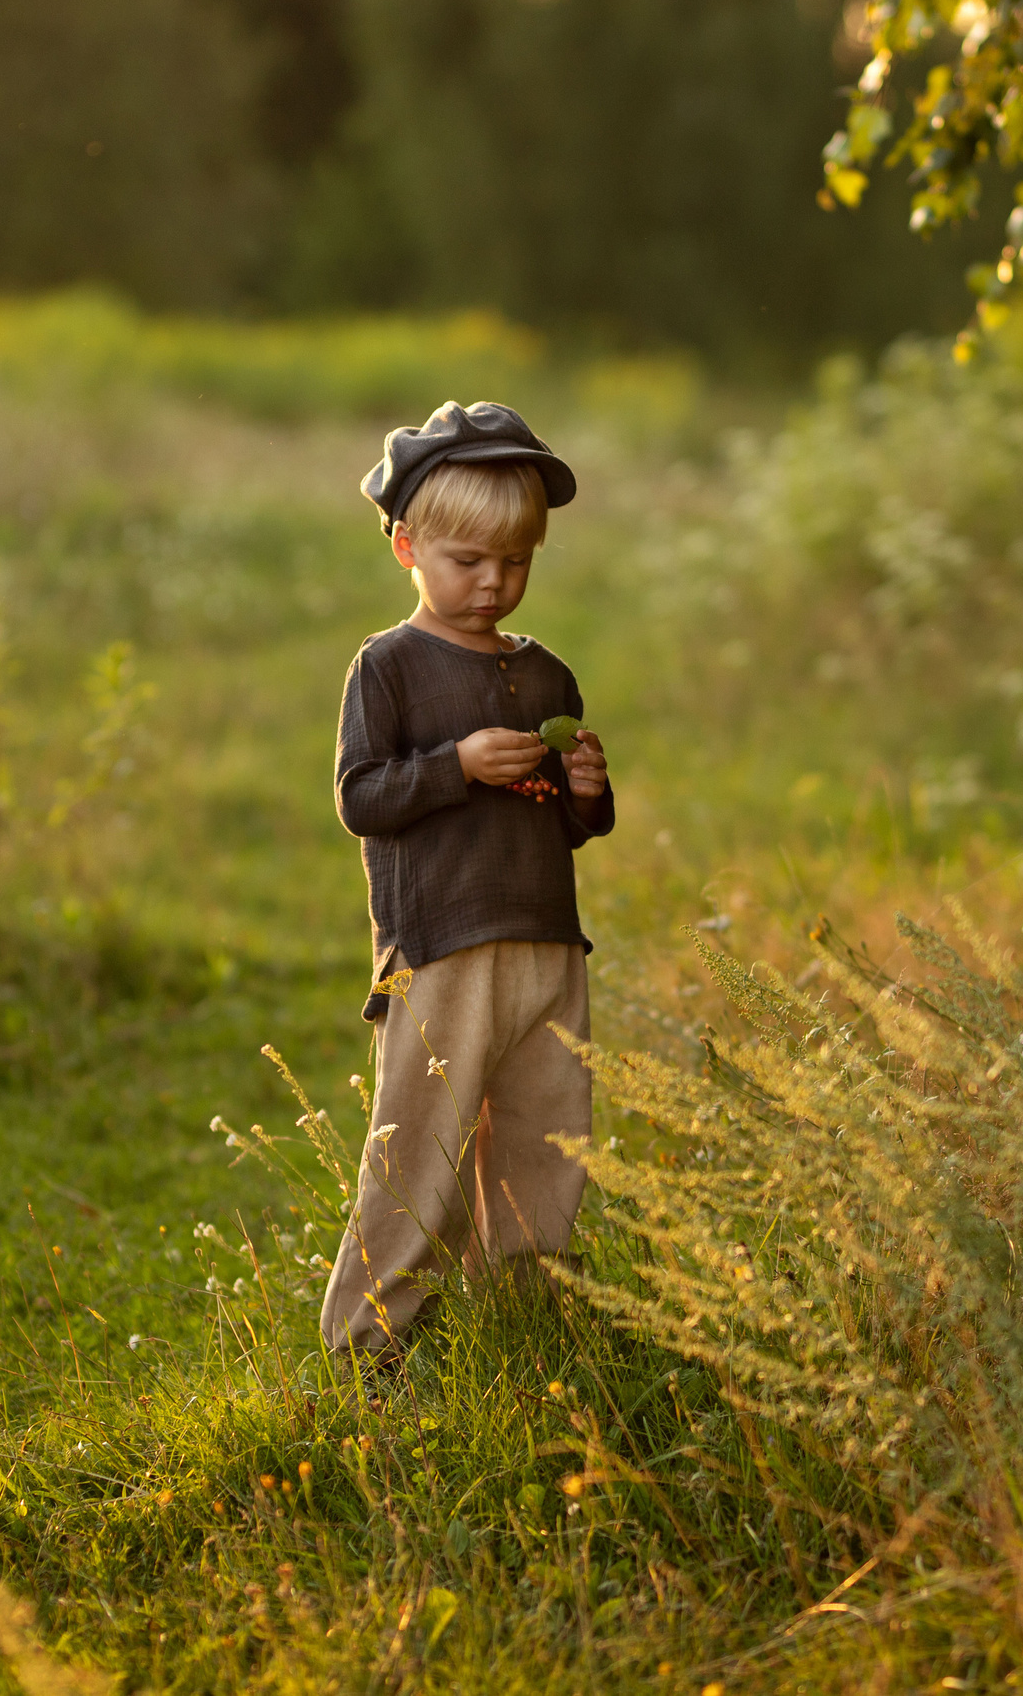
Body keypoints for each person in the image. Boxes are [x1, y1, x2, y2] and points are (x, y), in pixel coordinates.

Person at [318, 400, 614, 1361]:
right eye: (468, 560)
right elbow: (362, 796)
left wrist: (585, 791)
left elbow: (569, 825)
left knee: (545, 1138)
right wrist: (457, 766)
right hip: (440, 949)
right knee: (422, 1144)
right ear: (407, 547)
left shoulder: (549, 675)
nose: (493, 582)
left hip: (546, 944)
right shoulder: (390, 666)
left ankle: (520, 1321)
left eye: (516, 562)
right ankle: (371, 1344)